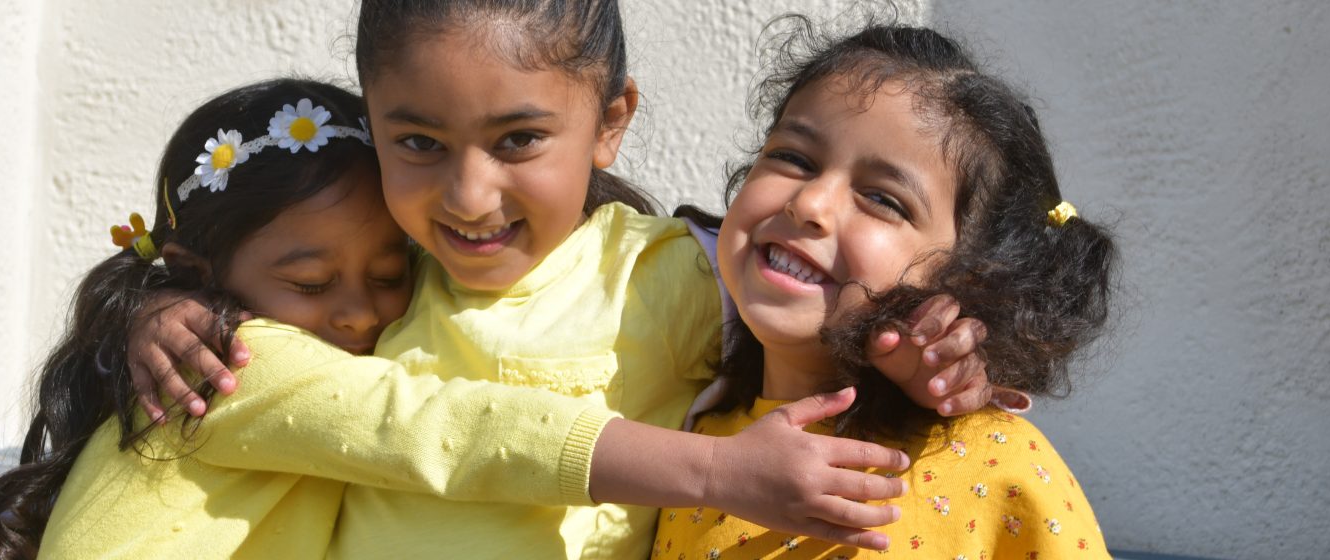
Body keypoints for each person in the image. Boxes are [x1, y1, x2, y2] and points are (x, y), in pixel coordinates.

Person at [127, 2, 1007, 557]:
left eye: (517, 141)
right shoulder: (383, 279)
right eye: (419, 143)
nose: (468, 197)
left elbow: (811, 306)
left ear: (611, 121)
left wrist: (918, 353)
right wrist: (157, 309)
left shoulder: (670, 275)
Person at [650, 21, 1117, 559]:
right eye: (793, 158)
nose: (809, 204)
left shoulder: (1005, 468)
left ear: (968, 279)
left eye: (884, 199)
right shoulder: (682, 436)